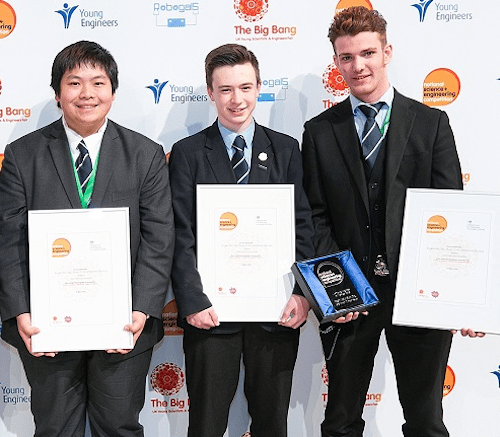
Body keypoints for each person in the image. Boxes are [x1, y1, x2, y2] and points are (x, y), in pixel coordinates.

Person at [301, 7, 481, 437]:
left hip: (420, 295)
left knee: (425, 421)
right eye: (346, 57)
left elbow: (449, 216)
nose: (357, 66)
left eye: (366, 53)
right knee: (340, 420)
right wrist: (340, 290)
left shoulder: (431, 123)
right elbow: (316, 216)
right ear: (336, 62)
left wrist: (460, 295)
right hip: (350, 298)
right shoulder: (319, 132)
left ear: (387, 52)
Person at [0, 41, 173, 436]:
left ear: (112, 90)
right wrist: (22, 311)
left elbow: (159, 236)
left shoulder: (145, 155)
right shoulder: (23, 155)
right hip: (47, 326)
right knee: (55, 428)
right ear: (57, 93)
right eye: (74, 83)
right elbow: (8, 240)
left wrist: (141, 309)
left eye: (98, 82)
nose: (87, 94)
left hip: (123, 325)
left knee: (118, 426)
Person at [169, 43, 314, 437]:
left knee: (272, 423)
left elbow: (303, 226)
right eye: (226, 89)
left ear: (260, 87)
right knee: (206, 424)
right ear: (210, 92)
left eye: (246, 88)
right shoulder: (187, 154)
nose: (237, 100)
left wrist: (302, 293)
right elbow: (180, 234)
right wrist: (193, 301)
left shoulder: (286, 149)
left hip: (277, 311)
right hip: (211, 316)